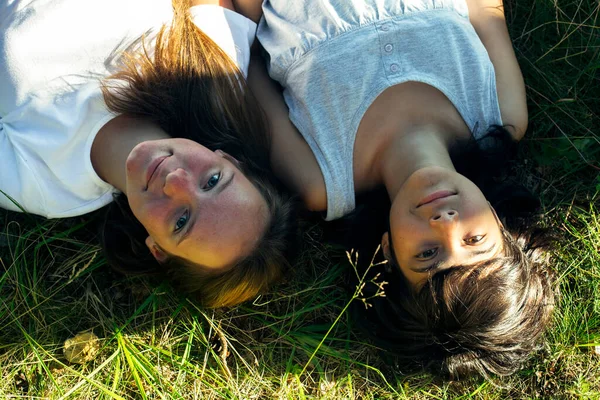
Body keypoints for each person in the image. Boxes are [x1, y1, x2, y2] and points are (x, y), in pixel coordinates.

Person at [235, 0, 556, 378]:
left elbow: (243, 61)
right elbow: (486, 10)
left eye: (426, 254)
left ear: (387, 252)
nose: (445, 223)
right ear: (502, 227)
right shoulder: (500, 117)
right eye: (475, 241)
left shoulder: (320, 178)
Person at [0, 0, 298, 308]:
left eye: (182, 221)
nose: (176, 181)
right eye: (212, 181)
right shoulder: (210, 78)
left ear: (157, 248)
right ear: (228, 158)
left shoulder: (44, 182)